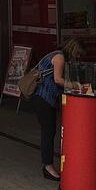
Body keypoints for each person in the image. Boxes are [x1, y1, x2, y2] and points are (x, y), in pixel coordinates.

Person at [33, 37, 83, 181]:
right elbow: (57, 79)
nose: (78, 57)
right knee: (48, 132)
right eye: (78, 53)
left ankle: (48, 165)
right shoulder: (59, 57)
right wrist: (74, 85)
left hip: (43, 98)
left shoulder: (54, 54)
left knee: (49, 131)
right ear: (73, 49)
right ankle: (48, 166)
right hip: (44, 98)